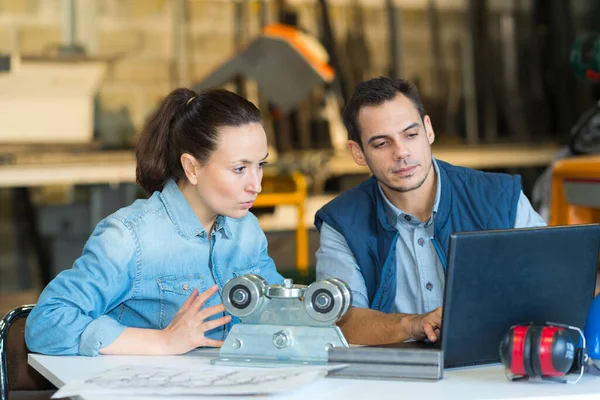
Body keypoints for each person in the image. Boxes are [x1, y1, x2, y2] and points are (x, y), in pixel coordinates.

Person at [25, 88, 283, 356]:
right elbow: (47, 324)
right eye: (240, 169)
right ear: (192, 168)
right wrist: (163, 341)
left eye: (260, 165)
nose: (256, 185)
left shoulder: (246, 230)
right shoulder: (129, 238)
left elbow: (278, 311)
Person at [314, 77, 546, 346]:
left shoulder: (501, 198)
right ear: (358, 153)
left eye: (410, 135)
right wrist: (412, 325)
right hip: (395, 379)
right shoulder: (341, 221)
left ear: (428, 130)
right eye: (381, 144)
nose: (401, 152)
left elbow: (547, 287)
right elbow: (342, 320)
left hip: (493, 367)